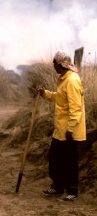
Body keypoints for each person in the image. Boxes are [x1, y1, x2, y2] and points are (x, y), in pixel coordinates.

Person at [37, 51, 85, 202]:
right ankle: (58, 187)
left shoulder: (71, 80)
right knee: (55, 158)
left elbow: (76, 108)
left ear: (59, 64)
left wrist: (70, 128)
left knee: (69, 161)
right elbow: (60, 98)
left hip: (70, 130)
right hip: (60, 129)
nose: (53, 67)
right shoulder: (63, 79)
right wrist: (45, 93)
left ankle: (72, 191)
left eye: (54, 64)